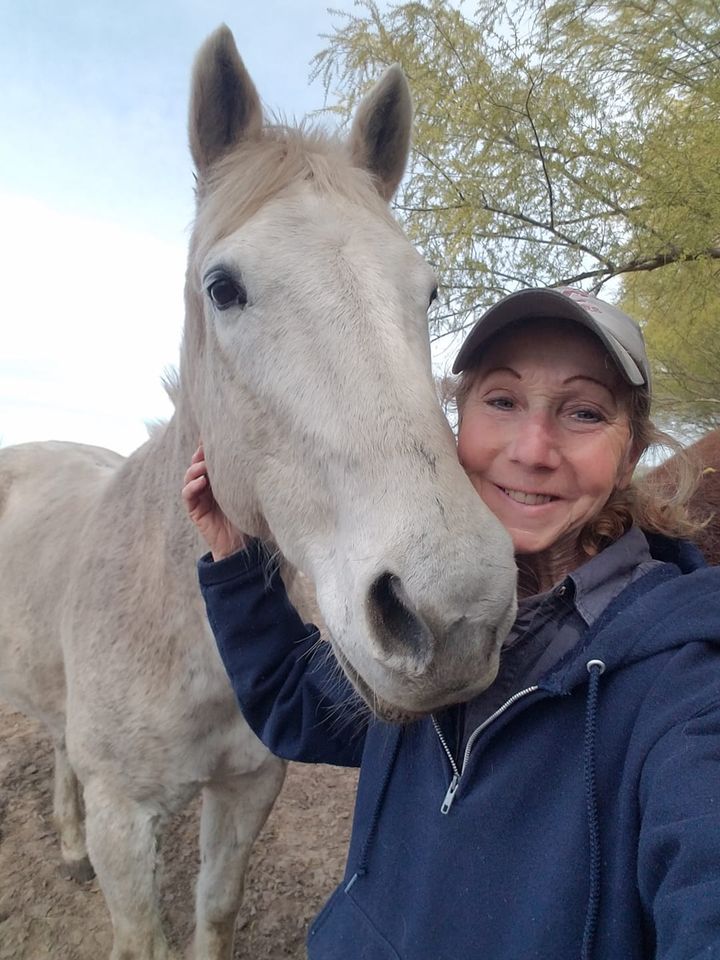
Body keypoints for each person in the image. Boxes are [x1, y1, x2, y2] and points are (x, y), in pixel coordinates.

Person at [183, 286, 720, 960]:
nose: (532, 449)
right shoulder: (433, 616)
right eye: (501, 400)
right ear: (455, 424)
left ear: (630, 453)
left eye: (584, 412)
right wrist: (233, 556)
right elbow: (297, 708)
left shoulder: (684, 685)